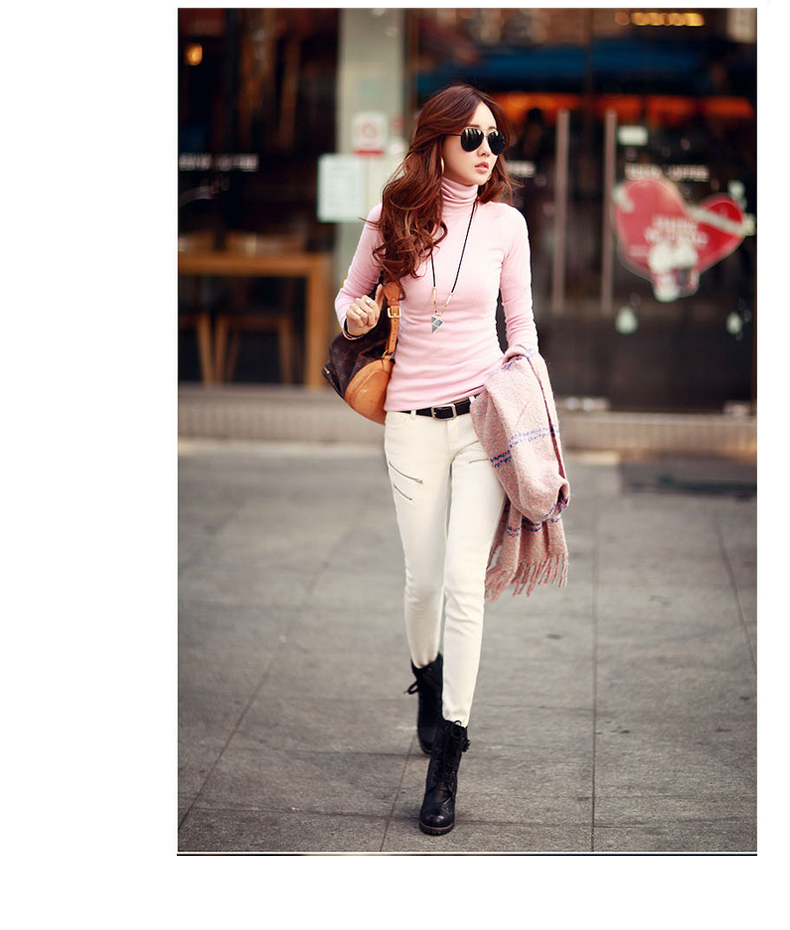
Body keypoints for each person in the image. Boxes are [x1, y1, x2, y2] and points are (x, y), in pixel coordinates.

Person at [334, 84, 539, 836]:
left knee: (462, 584)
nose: (487, 151)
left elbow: (521, 326)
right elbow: (349, 299)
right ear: (438, 143)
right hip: (411, 424)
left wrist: (527, 396)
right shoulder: (393, 217)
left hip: (481, 424)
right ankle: (428, 678)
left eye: (495, 139)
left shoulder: (506, 224)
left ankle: (448, 752)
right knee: (422, 583)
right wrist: (356, 315)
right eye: (472, 138)